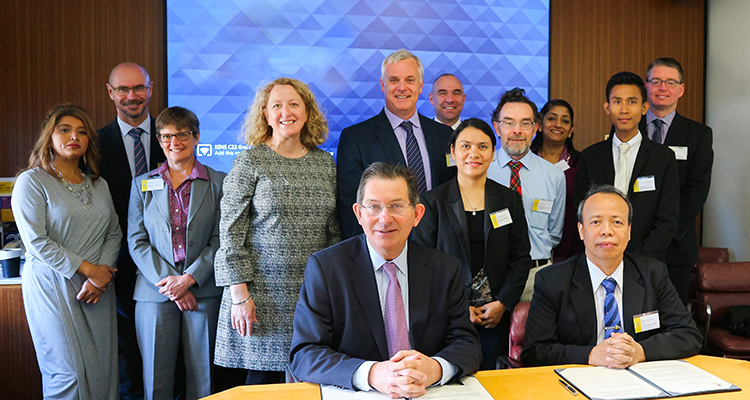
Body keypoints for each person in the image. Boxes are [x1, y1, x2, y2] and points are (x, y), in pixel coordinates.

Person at [291, 162, 481, 398]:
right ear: (359, 214)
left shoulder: (444, 268)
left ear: (417, 214)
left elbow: (467, 343)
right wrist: (371, 374)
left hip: (426, 393)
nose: (385, 218)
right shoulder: (327, 268)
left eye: (397, 206)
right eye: (373, 207)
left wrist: (435, 368)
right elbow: (305, 353)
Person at [214, 77, 340, 385]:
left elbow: (334, 232)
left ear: (307, 112)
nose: (287, 111)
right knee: (262, 385)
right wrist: (240, 296)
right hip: (260, 298)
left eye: (294, 104)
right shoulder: (249, 161)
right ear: (266, 115)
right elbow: (230, 234)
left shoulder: (325, 163)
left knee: (310, 380)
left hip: (312, 296)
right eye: (277, 105)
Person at [521, 185, 702, 367]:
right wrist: (591, 355)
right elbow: (535, 351)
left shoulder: (652, 274)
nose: (607, 231)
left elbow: (688, 334)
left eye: (617, 222)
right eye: (596, 222)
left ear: (629, 231)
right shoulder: (552, 280)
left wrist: (640, 351)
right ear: (581, 230)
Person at [13, 104, 122, 399]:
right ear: (49, 137)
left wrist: (101, 277)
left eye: (82, 132)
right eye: (65, 130)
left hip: (97, 289)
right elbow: (36, 241)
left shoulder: (99, 185)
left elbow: (113, 232)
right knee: (68, 373)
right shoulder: (31, 182)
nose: (74, 136)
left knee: (103, 371)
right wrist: (89, 270)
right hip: (53, 286)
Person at [412, 118, 531, 370]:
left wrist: (503, 302)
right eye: (465, 146)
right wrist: (458, 307)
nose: (473, 153)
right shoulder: (432, 202)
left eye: (483, 147)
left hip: (495, 318)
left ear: (492, 153)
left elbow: (520, 257)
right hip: (446, 317)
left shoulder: (509, 200)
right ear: (453, 151)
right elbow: (422, 263)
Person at [127, 107, 224, 399]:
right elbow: (136, 240)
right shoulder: (142, 184)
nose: (174, 142)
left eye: (182, 134)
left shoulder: (219, 181)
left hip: (203, 290)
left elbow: (222, 239)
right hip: (154, 293)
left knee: (204, 378)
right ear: (159, 140)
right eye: (167, 136)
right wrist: (174, 285)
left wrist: (190, 279)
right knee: (155, 379)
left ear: (196, 137)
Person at [98, 62, 166, 399]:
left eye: (139, 88)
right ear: (111, 93)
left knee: (170, 364)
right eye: (123, 89)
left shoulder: (172, 136)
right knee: (128, 360)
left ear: (150, 89)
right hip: (118, 269)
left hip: (169, 269)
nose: (132, 96)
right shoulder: (95, 145)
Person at [337, 49, 455, 240]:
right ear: (383, 85)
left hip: (440, 249)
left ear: (420, 85)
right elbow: (350, 211)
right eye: (394, 80)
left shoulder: (444, 135)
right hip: (384, 250)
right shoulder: (356, 138)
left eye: (410, 80)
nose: (402, 87)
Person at [575, 71, 679, 262]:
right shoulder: (591, 157)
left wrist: (639, 260)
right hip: (598, 260)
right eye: (617, 102)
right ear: (607, 107)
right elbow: (581, 212)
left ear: (644, 107)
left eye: (632, 102)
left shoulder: (662, 158)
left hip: (647, 262)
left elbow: (667, 219)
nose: (624, 109)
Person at [643, 58, 714, 305]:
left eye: (670, 82)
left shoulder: (698, 134)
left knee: (672, 317)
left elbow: (698, 190)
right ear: (647, 86)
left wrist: (665, 231)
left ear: (681, 89)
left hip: (676, 244)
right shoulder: (629, 129)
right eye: (656, 81)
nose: (663, 87)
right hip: (634, 242)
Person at [486, 88, 566, 302]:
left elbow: (554, 233)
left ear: (535, 129)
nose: (517, 130)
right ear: (497, 128)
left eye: (525, 123)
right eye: (509, 123)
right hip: (493, 277)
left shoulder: (555, 176)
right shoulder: (482, 172)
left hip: (537, 278)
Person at [530, 99, 583, 262]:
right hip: (529, 250)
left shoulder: (581, 164)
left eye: (565, 121)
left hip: (570, 249)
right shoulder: (524, 161)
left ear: (571, 130)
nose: (558, 124)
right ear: (539, 124)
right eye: (552, 118)